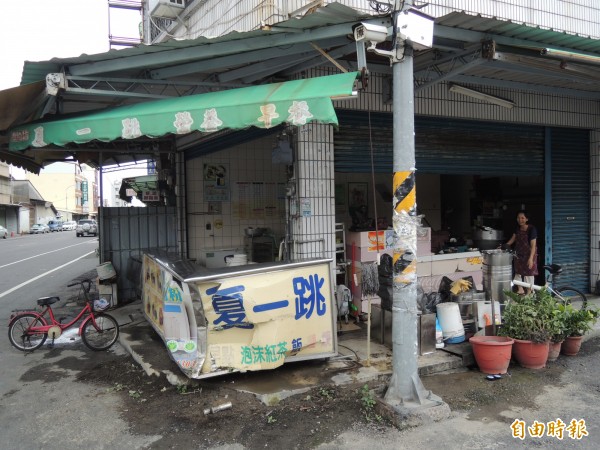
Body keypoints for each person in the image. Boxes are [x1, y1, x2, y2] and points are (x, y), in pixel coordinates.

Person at [504, 210, 538, 295]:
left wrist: (530, 259)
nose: (520, 220)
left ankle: (530, 292)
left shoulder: (531, 229)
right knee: (518, 272)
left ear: (527, 219)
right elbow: (513, 239)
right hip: (519, 254)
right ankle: (520, 289)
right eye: (518, 218)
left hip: (529, 254)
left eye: (522, 218)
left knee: (529, 274)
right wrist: (504, 246)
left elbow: (533, 245)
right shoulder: (517, 228)